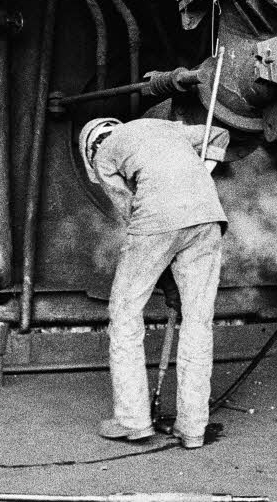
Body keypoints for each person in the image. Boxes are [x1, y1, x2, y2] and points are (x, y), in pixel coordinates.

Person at [79, 116, 230, 450]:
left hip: (157, 221)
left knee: (124, 314)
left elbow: (129, 209)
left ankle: (133, 421)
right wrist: (196, 178)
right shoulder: (163, 127)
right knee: (198, 323)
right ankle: (192, 428)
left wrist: (161, 266)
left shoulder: (103, 155)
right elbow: (219, 133)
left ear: (91, 149)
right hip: (209, 217)